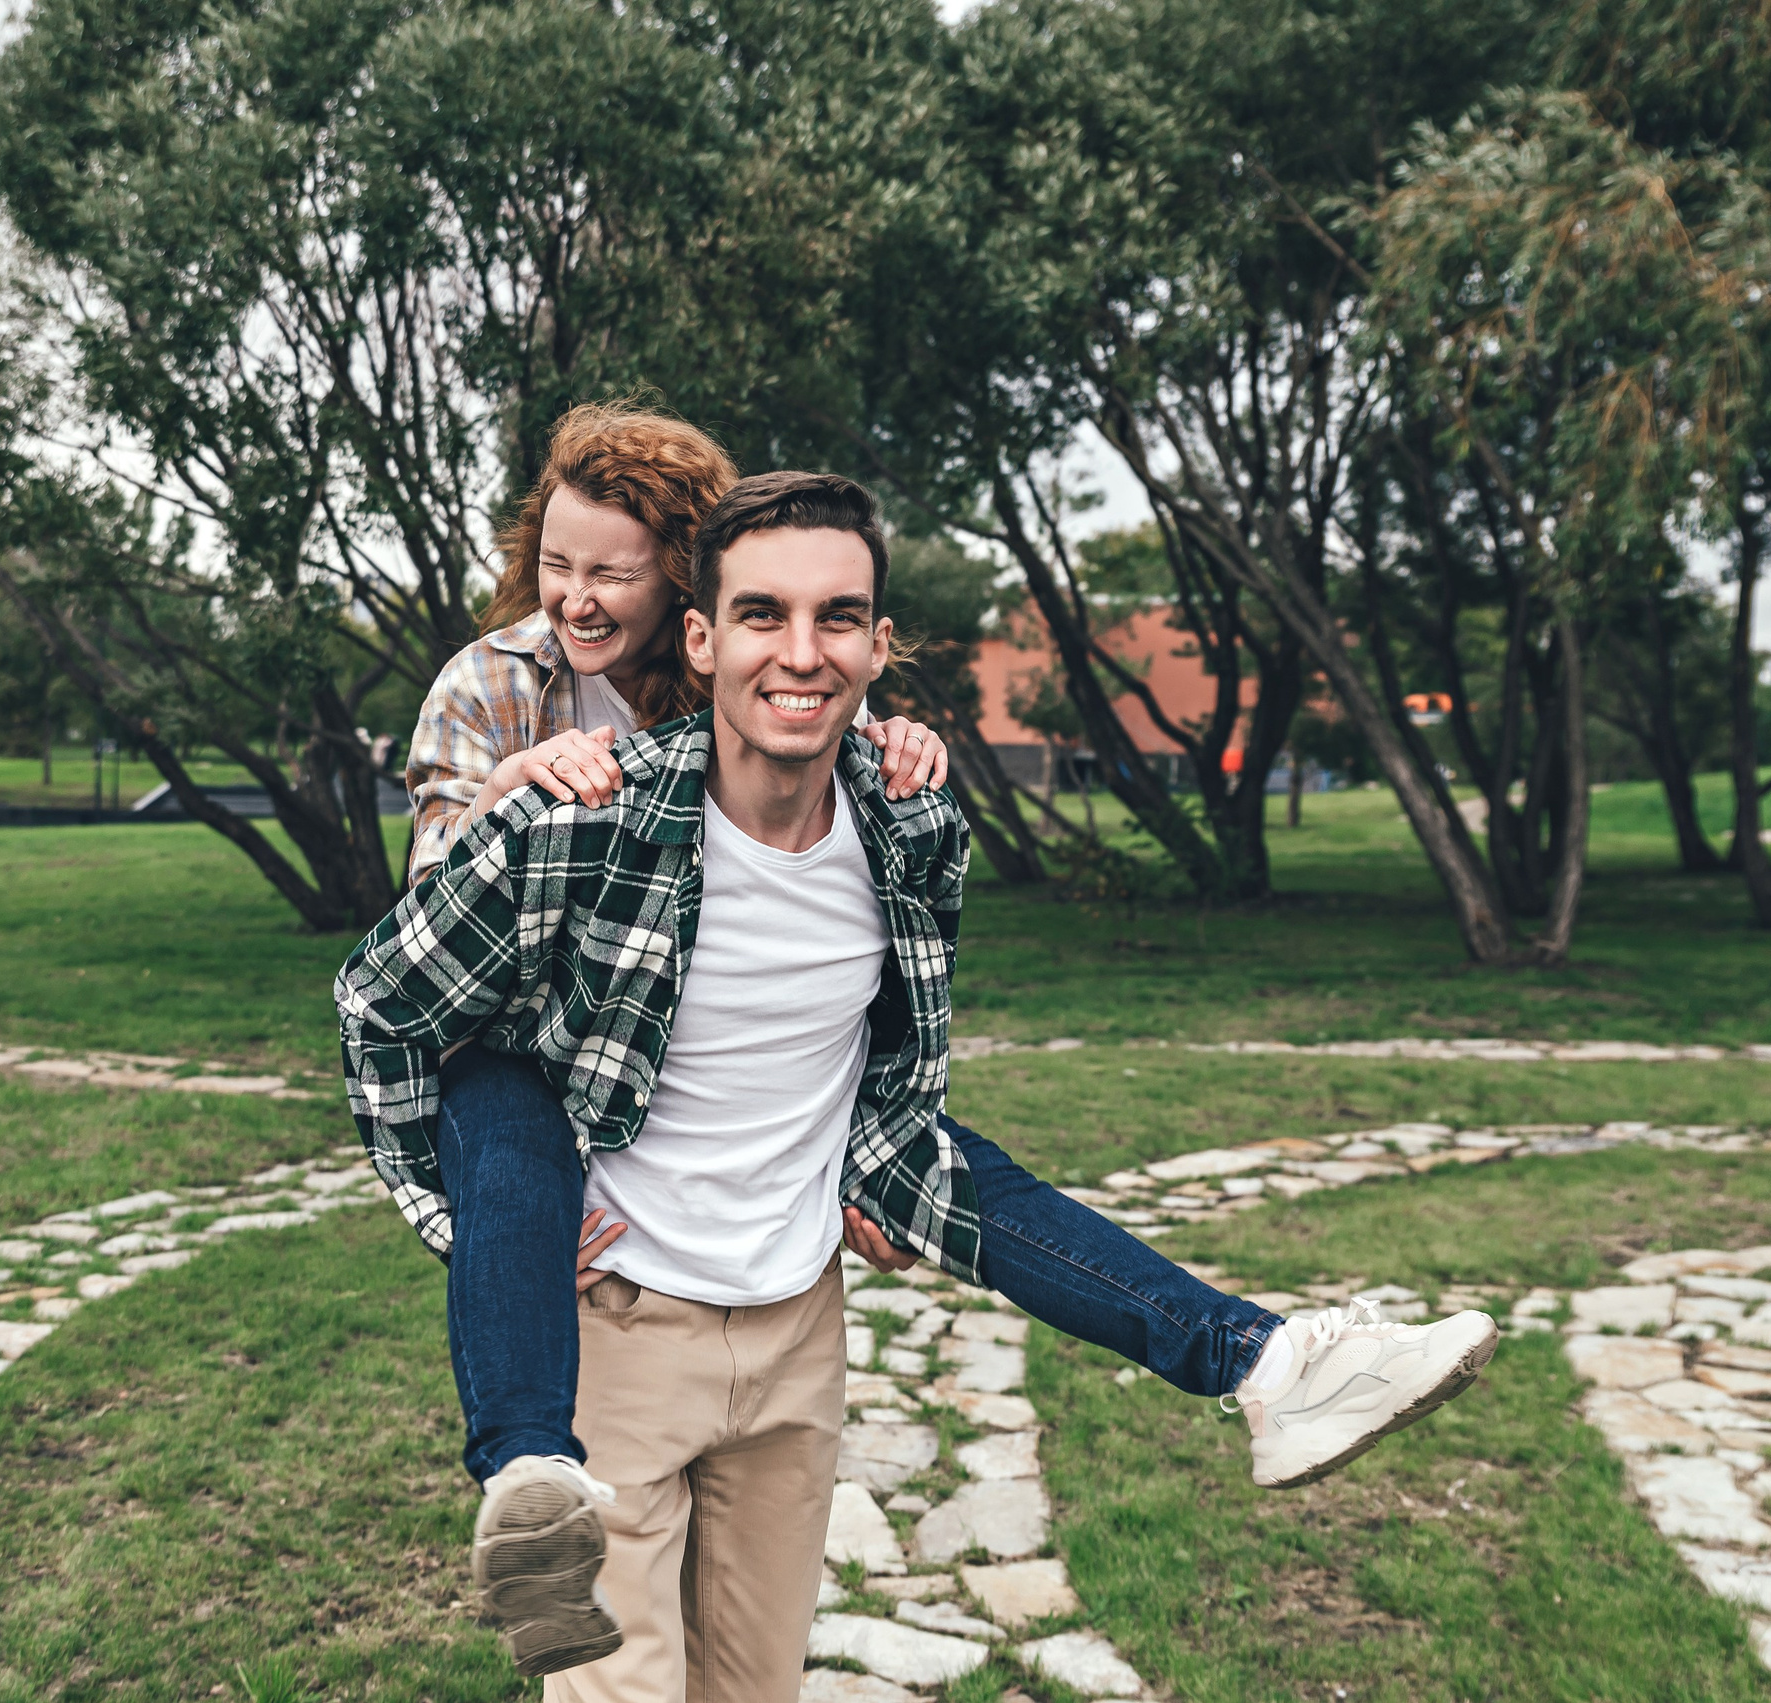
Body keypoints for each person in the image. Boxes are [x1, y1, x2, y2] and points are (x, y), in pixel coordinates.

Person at [338, 472, 1502, 1695]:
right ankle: (522, 1459)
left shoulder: (915, 829)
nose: (801, 652)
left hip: (797, 1336)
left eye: (836, 617)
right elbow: (385, 1008)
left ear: (880, 644)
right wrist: (471, 1222)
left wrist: (872, 1183)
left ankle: (1271, 1367)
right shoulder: (582, 821)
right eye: (761, 616)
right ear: (700, 637)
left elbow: (893, 1090)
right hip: (623, 1335)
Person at [402, 401, 947, 889]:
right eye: (557, 566)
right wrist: (502, 792)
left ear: (683, 578)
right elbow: (426, 902)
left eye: (611, 576)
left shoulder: (756, 672)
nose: (575, 603)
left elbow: (826, 781)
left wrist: (892, 748)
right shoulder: (484, 684)